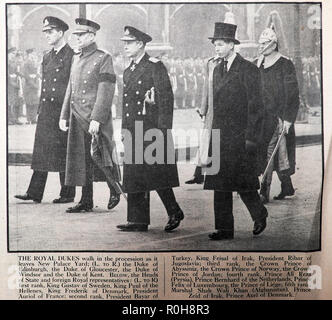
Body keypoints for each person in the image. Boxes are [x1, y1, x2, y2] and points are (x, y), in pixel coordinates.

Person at [201, 22, 268, 240]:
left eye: (220, 44)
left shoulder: (247, 69)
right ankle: (224, 228)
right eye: (215, 45)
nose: (216, 49)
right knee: (219, 183)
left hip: (240, 136)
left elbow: (255, 106)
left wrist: (250, 137)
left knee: (243, 181)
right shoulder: (217, 68)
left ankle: (259, 214)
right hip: (220, 135)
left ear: (231, 44)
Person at [117, 26, 184, 232]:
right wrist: (124, 129)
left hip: (152, 128)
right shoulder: (129, 70)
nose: (125, 47)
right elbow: (125, 104)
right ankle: (138, 220)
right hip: (133, 128)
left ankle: (174, 211)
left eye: (129, 43)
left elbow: (166, 98)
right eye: (124, 43)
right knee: (134, 174)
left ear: (140, 44)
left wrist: (164, 130)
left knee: (157, 172)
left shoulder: (155, 66)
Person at [59, 18, 121, 213]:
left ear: (92, 36)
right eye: (75, 35)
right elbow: (71, 87)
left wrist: (97, 118)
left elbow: (106, 90)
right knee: (81, 160)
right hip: (77, 115)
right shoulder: (76, 57)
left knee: (102, 156)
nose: (76, 38)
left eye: (81, 35)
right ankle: (86, 200)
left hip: (94, 116)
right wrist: (64, 115)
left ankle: (115, 189)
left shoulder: (104, 58)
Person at [15, 17, 75, 204]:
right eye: (46, 32)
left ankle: (67, 193)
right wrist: (41, 108)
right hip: (47, 110)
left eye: (50, 32)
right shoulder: (47, 56)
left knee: (63, 150)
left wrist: (66, 113)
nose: (47, 35)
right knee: (41, 150)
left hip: (62, 110)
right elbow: (46, 86)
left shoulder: (71, 55)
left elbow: (72, 86)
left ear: (60, 32)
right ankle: (34, 192)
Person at [256, 28, 300, 203]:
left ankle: (263, 191)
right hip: (262, 117)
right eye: (261, 44)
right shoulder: (258, 63)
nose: (262, 47)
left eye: (265, 43)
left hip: (279, 117)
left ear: (274, 44)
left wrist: (289, 118)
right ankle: (287, 185)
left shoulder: (285, 64)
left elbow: (292, 94)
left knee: (270, 152)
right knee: (278, 153)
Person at [22, 48, 39, 124]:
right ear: (29, 55)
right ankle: (29, 119)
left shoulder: (34, 62)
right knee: (29, 103)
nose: (33, 55)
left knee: (35, 102)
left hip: (34, 84)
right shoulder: (26, 63)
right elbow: (26, 75)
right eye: (32, 54)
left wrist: (36, 83)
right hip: (29, 85)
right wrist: (33, 84)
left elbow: (36, 74)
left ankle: (34, 118)